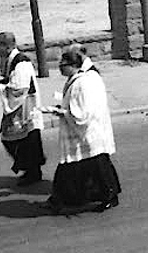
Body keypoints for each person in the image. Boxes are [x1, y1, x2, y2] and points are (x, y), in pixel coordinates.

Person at [41, 45, 121, 212]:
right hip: (83, 132)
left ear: (72, 65)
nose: (60, 69)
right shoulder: (78, 78)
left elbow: (83, 112)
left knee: (91, 166)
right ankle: (65, 199)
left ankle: (107, 196)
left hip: (87, 132)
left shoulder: (84, 81)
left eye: (62, 65)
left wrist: (63, 112)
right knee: (87, 167)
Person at [0, 32, 46, 186]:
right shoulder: (12, 61)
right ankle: (31, 170)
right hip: (21, 108)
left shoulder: (21, 63)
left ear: (7, 46)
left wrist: (0, 87)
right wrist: (3, 81)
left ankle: (33, 172)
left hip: (25, 108)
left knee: (21, 140)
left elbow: (19, 89)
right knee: (22, 140)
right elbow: (13, 81)